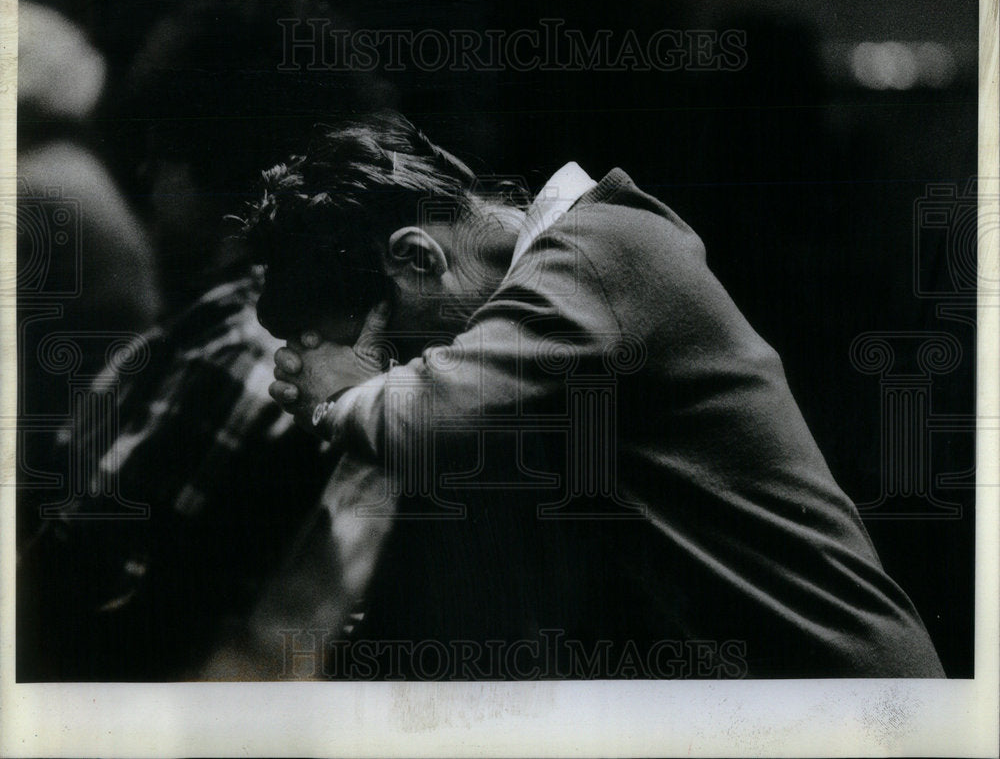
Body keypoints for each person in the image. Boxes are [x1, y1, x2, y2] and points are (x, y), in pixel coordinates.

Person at [250, 111, 946, 678]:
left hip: (851, 699)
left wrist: (336, 398)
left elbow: (423, 416)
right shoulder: (564, 296)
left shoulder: (593, 253)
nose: (418, 362)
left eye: (398, 345)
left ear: (417, 257)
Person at [16, 0, 395, 681]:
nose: (142, 174)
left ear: (213, 158)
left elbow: (66, 599)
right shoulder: (328, 342)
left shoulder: (230, 353)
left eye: (161, 151)